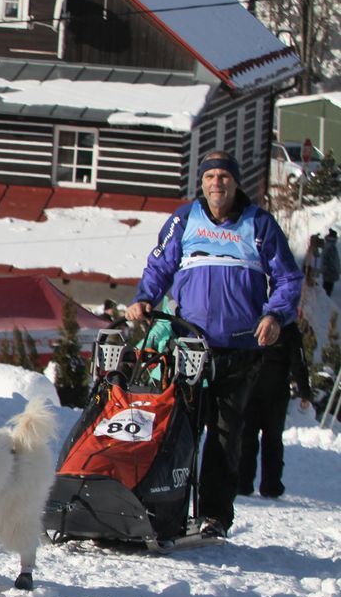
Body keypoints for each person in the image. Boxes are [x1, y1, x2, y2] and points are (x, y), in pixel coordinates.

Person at [124, 149, 303, 538]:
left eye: (223, 176)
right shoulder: (184, 219)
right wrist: (145, 298)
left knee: (225, 434)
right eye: (209, 177)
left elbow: (289, 278)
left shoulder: (260, 224)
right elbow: (159, 266)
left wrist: (274, 315)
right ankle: (164, 507)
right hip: (187, 347)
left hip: (240, 349)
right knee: (178, 431)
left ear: (236, 182)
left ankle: (213, 517)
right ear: (201, 183)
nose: (216, 183)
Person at [238, 317, 315, 499]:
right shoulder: (287, 327)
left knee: (248, 436)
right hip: (273, 389)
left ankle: (244, 482)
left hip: (254, 387)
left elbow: (298, 360)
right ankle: (270, 485)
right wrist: (304, 392)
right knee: (271, 438)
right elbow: (299, 361)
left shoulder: (252, 318)